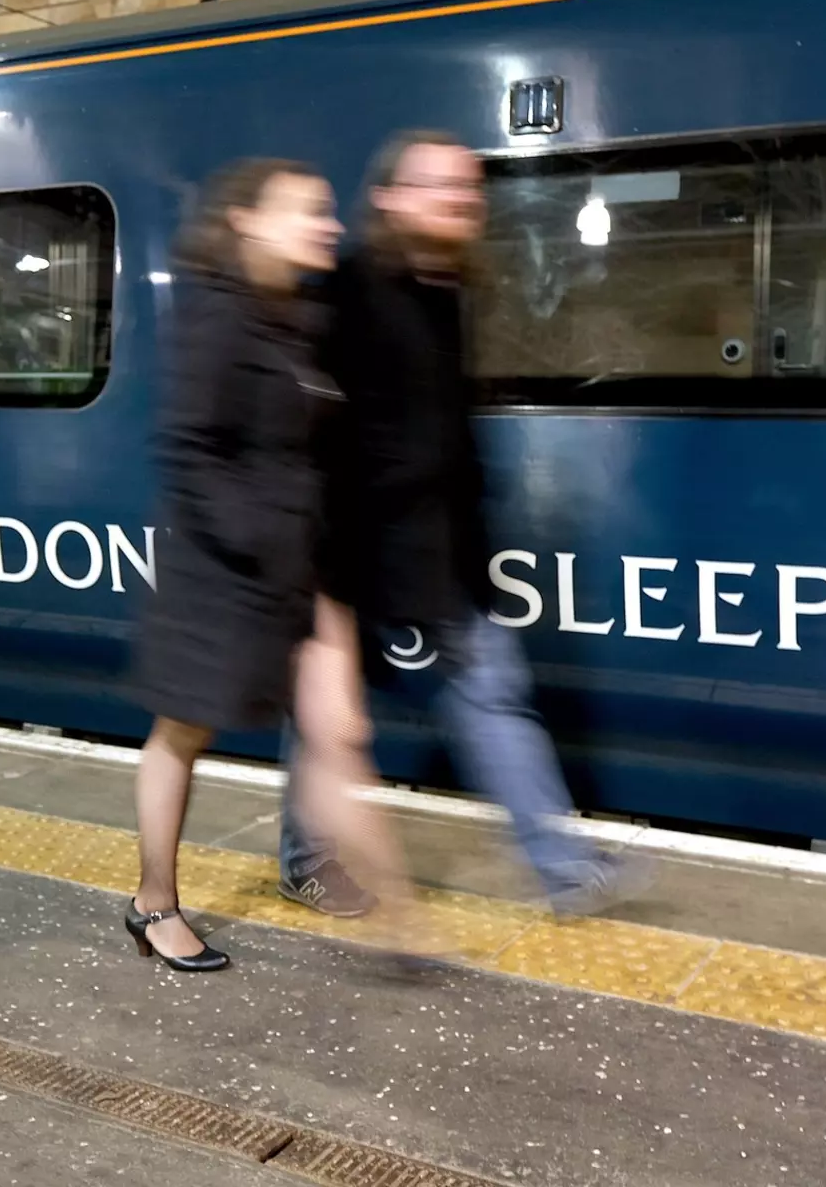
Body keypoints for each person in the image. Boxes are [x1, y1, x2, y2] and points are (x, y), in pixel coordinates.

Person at [278, 130, 638, 920]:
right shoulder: (343, 298)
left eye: (467, 189)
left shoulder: (444, 292)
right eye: (437, 186)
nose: (458, 200)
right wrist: (327, 591)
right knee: (333, 719)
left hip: (437, 557)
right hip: (361, 562)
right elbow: (318, 453)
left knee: (480, 697)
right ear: (389, 199)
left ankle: (562, 864)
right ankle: (309, 858)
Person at [129, 159, 415, 971]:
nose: (328, 225)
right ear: (246, 220)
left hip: (302, 564)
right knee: (183, 732)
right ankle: (154, 905)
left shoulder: (295, 315)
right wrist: (258, 543)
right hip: (222, 571)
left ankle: (394, 918)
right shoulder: (216, 316)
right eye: (307, 211)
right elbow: (189, 449)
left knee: (337, 729)